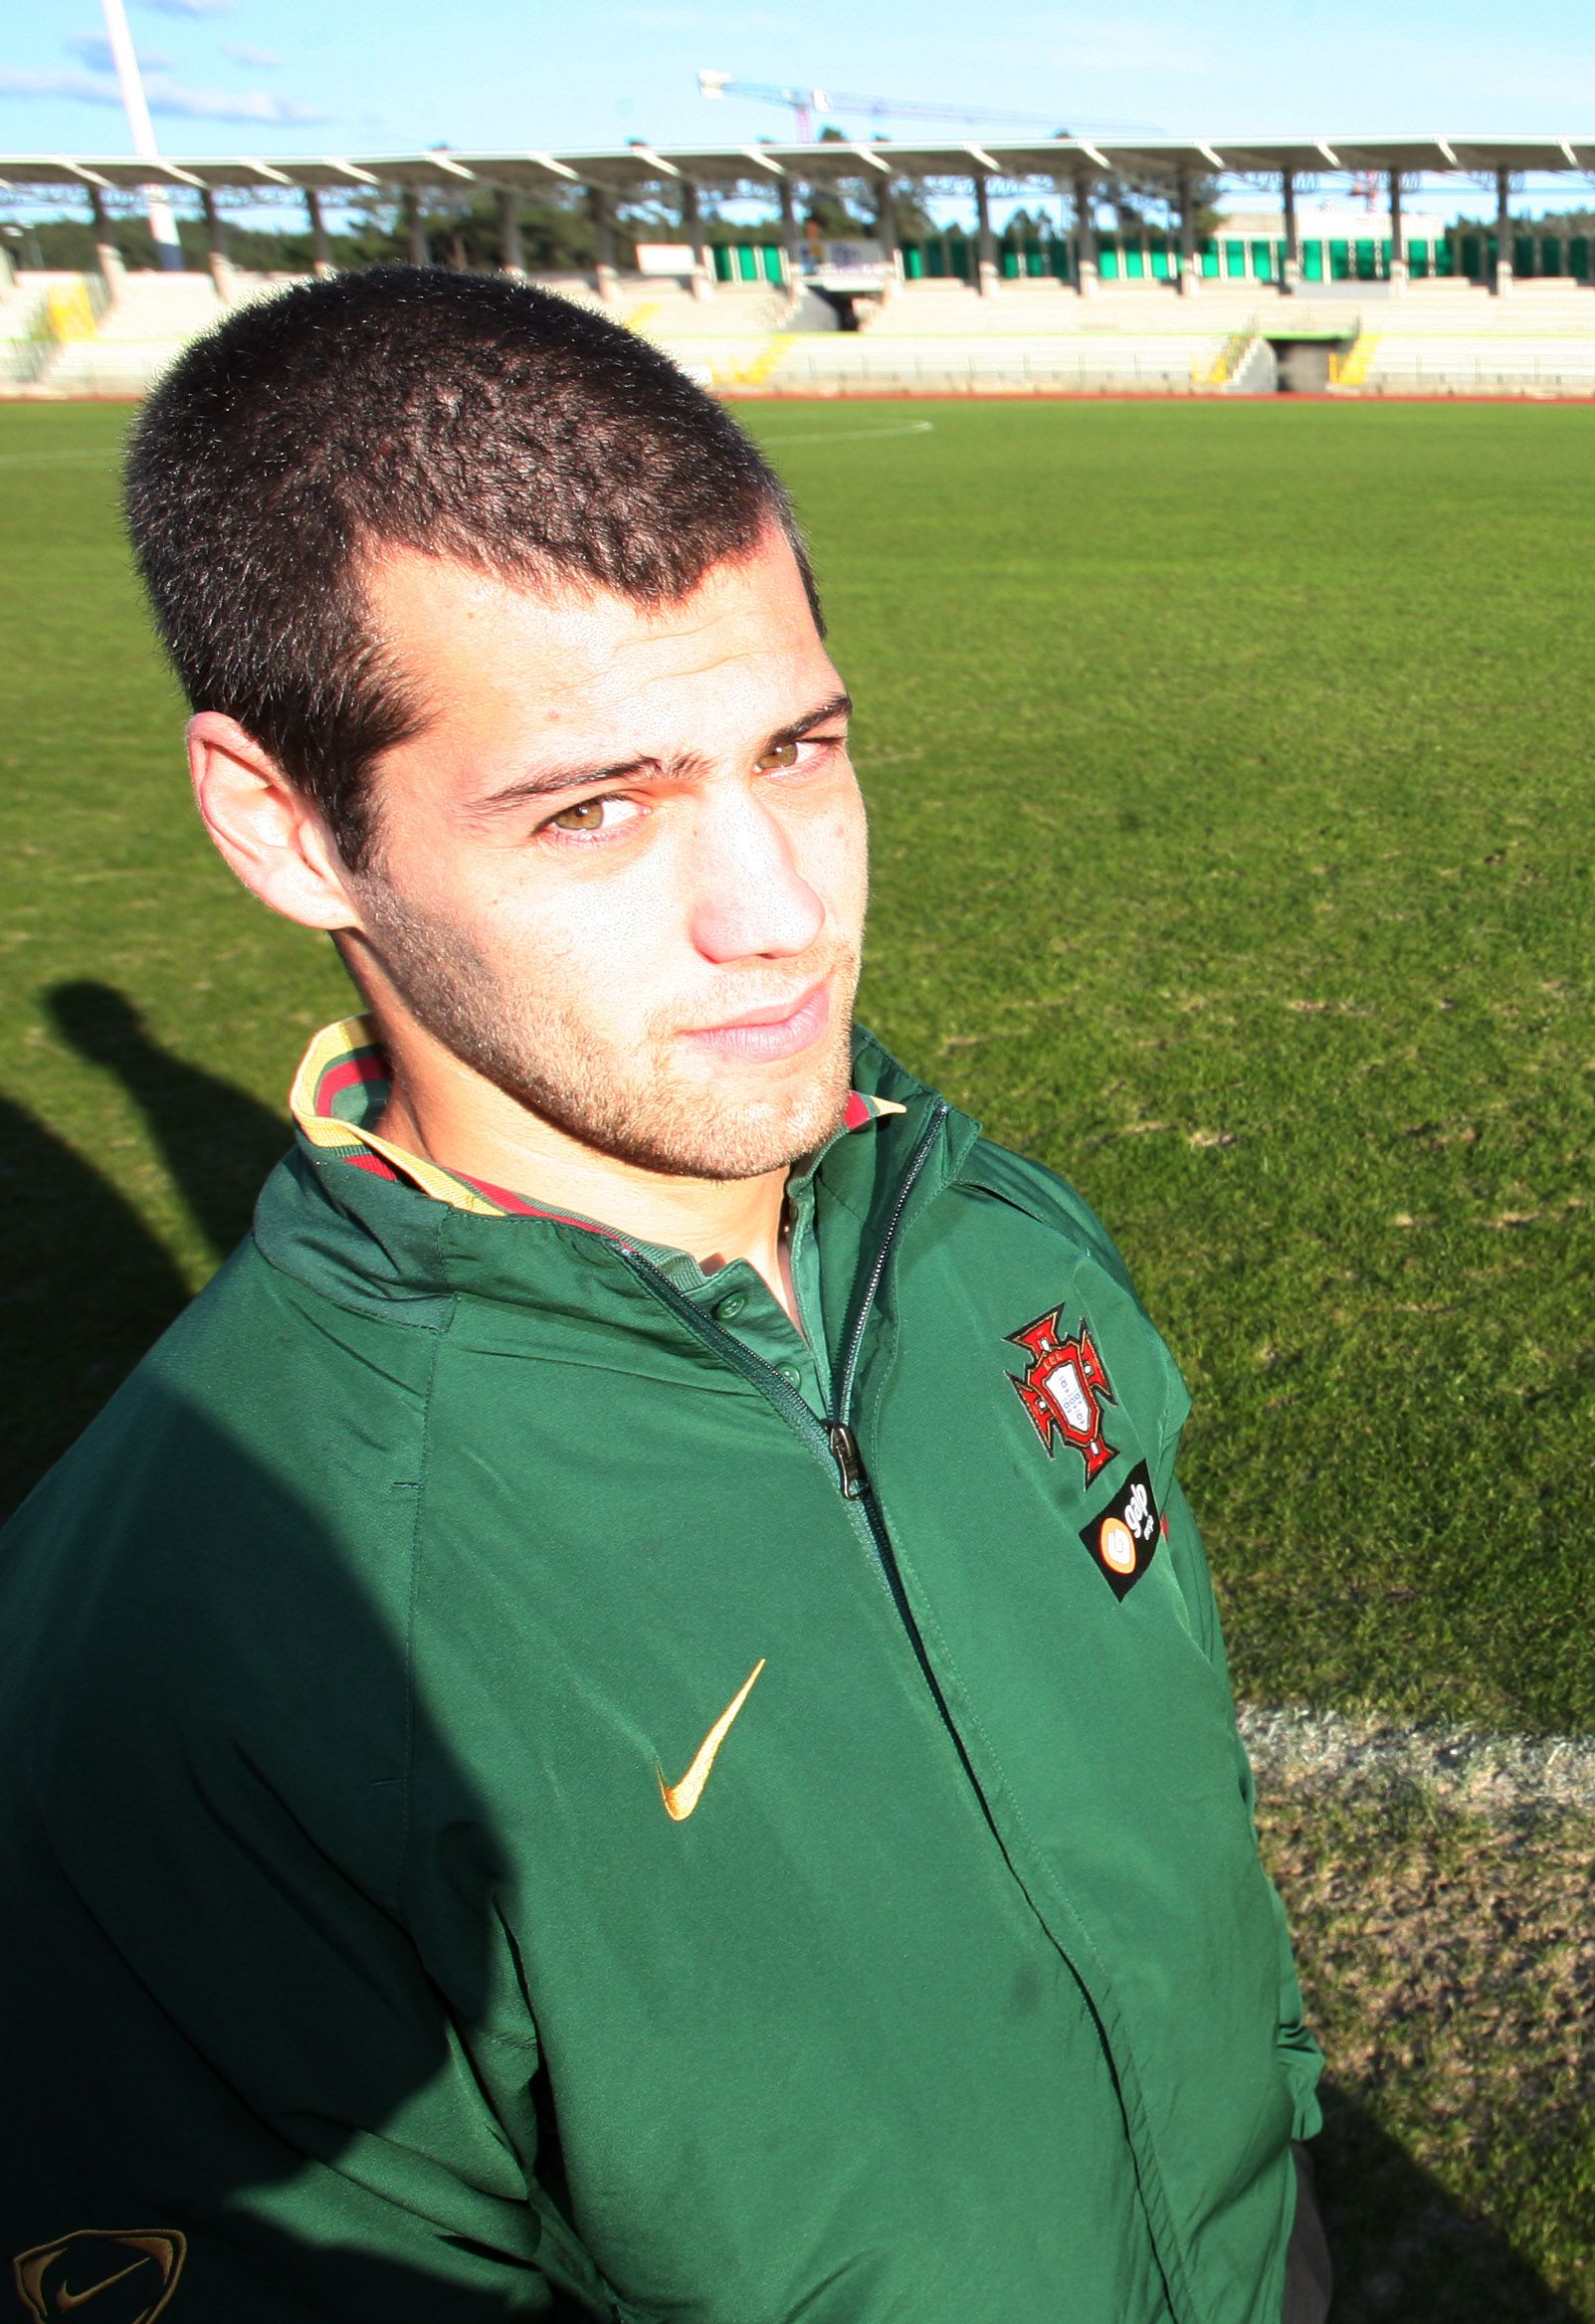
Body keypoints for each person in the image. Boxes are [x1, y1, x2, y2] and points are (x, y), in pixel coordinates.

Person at [0, 271, 1331, 2322]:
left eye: (798, 751)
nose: (783, 916)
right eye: (596, 807)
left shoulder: (972, 1220)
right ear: (285, 828)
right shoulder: (180, 1665)